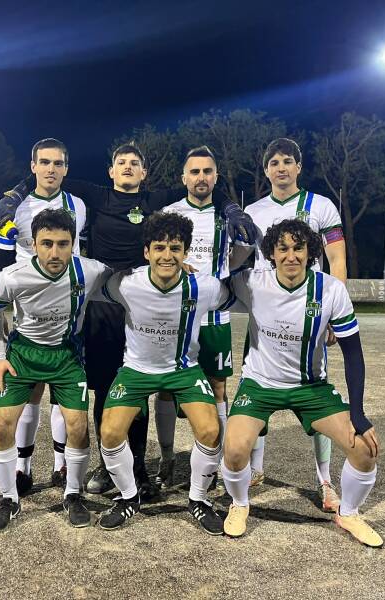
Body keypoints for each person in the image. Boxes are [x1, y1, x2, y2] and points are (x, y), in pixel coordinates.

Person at [0, 143, 259, 498]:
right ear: (111, 171)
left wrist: (232, 208)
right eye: (121, 162)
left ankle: (139, 468)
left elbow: (202, 186)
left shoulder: (153, 200)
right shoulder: (94, 196)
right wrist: (15, 194)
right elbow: (48, 177)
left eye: (134, 163)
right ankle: (106, 464)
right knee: (104, 389)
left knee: (140, 387)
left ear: (144, 172)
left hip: (141, 303)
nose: (127, 167)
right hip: (103, 305)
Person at [222, 218, 382, 547]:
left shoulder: (331, 290)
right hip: (260, 385)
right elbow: (218, 277)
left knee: (365, 451)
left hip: (311, 387)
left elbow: (353, 354)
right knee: (235, 450)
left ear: (310, 252)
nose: (291, 256)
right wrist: (238, 244)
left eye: (299, 248)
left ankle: (349, 513)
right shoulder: (253, 283)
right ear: (271, 253)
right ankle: (239, 504)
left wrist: (358, 413)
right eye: (282, 248)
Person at [94, 211, 236, 534]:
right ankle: (128, 497)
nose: (167, 256)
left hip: (183, 370)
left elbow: (245, 297)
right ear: (146, 252)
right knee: (110, 432)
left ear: (186, 252)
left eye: (175, 248)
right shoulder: (126, 284)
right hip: (136, 370)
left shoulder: (204, 287)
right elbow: (89, 284)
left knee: (210, 430)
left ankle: (199, 499)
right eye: (159, 248)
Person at [0, 209, 111, 532]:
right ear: (34, 244)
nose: (55, 252)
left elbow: (130, 279)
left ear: (73, 244)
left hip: (67, 357)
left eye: (63, 244)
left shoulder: (90, 271)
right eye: (47, 244)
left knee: (77, 425)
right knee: (2, 424)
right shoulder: (13, 276)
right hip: (22, 356)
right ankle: (9, 499)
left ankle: (73, 494)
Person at [242, 137, 347, 512]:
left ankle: (325, 480)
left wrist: (334, 312)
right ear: (266, 170)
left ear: (299, 167)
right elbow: (245, 261)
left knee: (316, 393)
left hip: (309, 314)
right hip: (265, 314)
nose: (281, 167)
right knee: (258, 385)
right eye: (274, 162)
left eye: (287, 161)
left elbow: (336, 258)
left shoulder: (321, 205)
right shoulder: (253, 211)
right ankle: (255, 470)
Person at [0, 138, 88, 494]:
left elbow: (78, 253)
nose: (51, 169)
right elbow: (4, 255)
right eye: (44, 162)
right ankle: (23, 467)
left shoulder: (77, 205)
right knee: (30, 392)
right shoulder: (15, 207)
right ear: (32, 166)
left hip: (66, 306)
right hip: (28, 308)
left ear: (66, 168)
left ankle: (61, 465)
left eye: (58, 163)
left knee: (63, 395)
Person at [155, 146, 252, 488]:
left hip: (214, 317)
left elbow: (244, 251)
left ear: (216, 177)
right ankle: (167, 459)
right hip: (175, 316)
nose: (201, 177)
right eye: (194, 171)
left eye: (207, 171)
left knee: (218, 386)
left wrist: (226, 269)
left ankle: (216, 461)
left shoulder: (227, 216)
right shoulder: (169, 212)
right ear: (184, 178)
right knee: (166, 388)